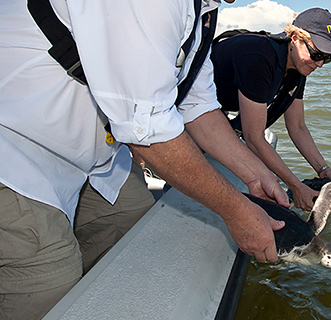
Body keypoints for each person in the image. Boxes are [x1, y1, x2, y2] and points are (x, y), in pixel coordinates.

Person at [0, 0, 289, 319]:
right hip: (17, 148)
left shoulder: (202, 13)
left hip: (99, 162)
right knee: (51, 291)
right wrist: (237, 210)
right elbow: (149, 130)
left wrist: (256, 175)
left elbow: (198, 106)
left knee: (140, 242)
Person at [211, 8, 331, 211]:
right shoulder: (259, 56)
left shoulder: (298, 68)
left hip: (219, 108)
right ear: (294, 37)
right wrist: (296, 187)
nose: (319, 64)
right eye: (316, 53)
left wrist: (323, 169)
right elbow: (253, 138)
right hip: (188, 108)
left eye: (326, 58)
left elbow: (298, 127)